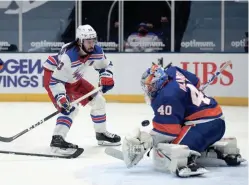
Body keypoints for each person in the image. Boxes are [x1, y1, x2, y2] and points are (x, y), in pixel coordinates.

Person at [121, 64, 245, 177]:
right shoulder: (173, 71)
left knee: (166, 148)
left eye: (152, 86)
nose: (149, 90)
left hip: (203, 126)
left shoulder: (166, 96)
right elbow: (196, 82)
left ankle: (188, 163)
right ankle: (218, 152)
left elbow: (168, 132)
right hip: (217, 122)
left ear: (160, 82)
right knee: (178, 133)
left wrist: (147, 141)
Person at [43, 24, 121, 154]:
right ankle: (57, 141)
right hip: (54, 77)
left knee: (99, 101)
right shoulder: (69, 57)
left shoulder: (96, 51)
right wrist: (61, 98)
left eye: (93, 41)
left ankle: (101, 134)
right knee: (69, 108)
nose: (92, 44)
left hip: (74, 78)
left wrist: (106, 76)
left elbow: (106, 66)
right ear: (80, 41)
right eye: (88, 41)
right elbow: (56, 80)